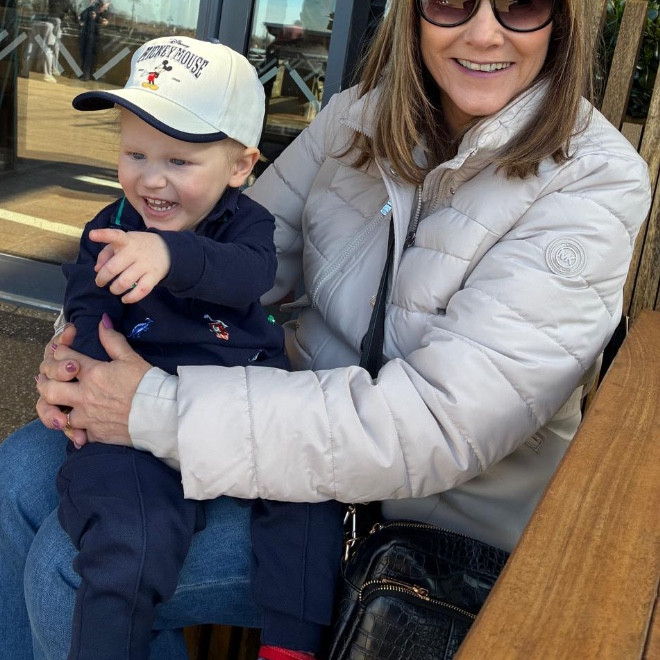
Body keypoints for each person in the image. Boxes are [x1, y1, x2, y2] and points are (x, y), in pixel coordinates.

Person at [0, 0, 652, 658]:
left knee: (73, 570)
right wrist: (84, 354)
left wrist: (151, 407)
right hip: (287, 448)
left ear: (564, 19)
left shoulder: (592, 183)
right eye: (451, 0)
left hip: (421, 527)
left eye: (521, 4)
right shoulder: (360, 118)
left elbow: (436, 425)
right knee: (18, 474)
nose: (484, 33)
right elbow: (234, 256)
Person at [61, 36, 342, 660]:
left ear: (240, 167)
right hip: (133, 416)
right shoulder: (111, 224)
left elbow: (248, 275)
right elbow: (87, 301)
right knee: (123, 536)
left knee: (308, 499)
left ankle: (290, 645)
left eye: (180, 161)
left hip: (241, 403)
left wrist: (170, 254)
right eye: (135, 153)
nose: (151, 178)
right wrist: (73, 359)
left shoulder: (248, 224)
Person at [78, 0, 109, 81]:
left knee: (92, 56)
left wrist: (103, 21)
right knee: (86, 56)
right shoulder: (91, 9)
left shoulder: (103, 12)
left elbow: (105, 22)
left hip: (96, 37)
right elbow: (81, 17)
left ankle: (89, 75)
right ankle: (86, 75)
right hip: (89, 35)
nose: (102, 8)